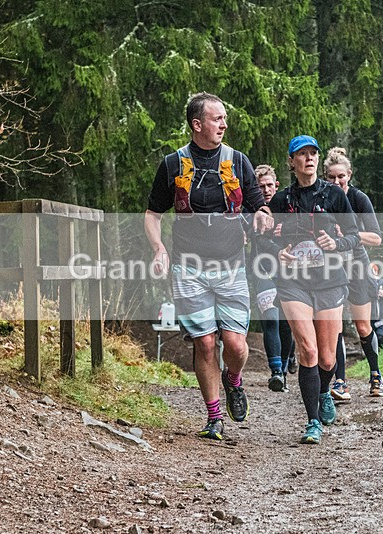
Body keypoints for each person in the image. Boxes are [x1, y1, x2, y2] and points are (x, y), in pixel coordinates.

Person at [144, 92, 273, 441]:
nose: (224, 124)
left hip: (231, 266)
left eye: (224, 118)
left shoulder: (238, 161)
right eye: (217, 119)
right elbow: (153, 213)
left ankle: (234, 380)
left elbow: (258, 206)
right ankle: (214, 417)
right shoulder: (172, 164)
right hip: (188, 268)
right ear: (197, 124)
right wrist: (158, 249)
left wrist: (261, 218)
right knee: (204, 343)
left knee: (235, 345)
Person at [256, 135, 360, 444]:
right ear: (291, 162)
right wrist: (277, 251)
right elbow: (262, 237)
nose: (309, 158)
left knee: (327, 360)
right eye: (302, 154)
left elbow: (354, 235)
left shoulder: (334, 196)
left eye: (313, 153)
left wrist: (337, 243)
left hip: (329, 279)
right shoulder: (280, 200)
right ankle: (312, 420)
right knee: (308, 350)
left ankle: (325, 390)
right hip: (293, 281)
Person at [323, 147, 383, 400]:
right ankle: (340, 381)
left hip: (357, 262)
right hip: (330, 264)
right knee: (335, 326)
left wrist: (350, 235)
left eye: (341, 177)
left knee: (362, 325)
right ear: (325, 177)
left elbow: (377, 238)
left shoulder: (359, 199)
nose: (336, 182)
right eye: (331, 178)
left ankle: (375, 374)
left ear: (349, 175)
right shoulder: (322, 198)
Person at [250, 164, 296, 392]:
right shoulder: (252, 210)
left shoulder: (286, 204)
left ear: (276, 185)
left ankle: (286, 364)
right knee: (271, 318)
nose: (266, 190)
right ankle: (276, 372)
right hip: (263, 269)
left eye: (269, 185)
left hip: (288, 270)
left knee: (287, 324)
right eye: (261, 187)